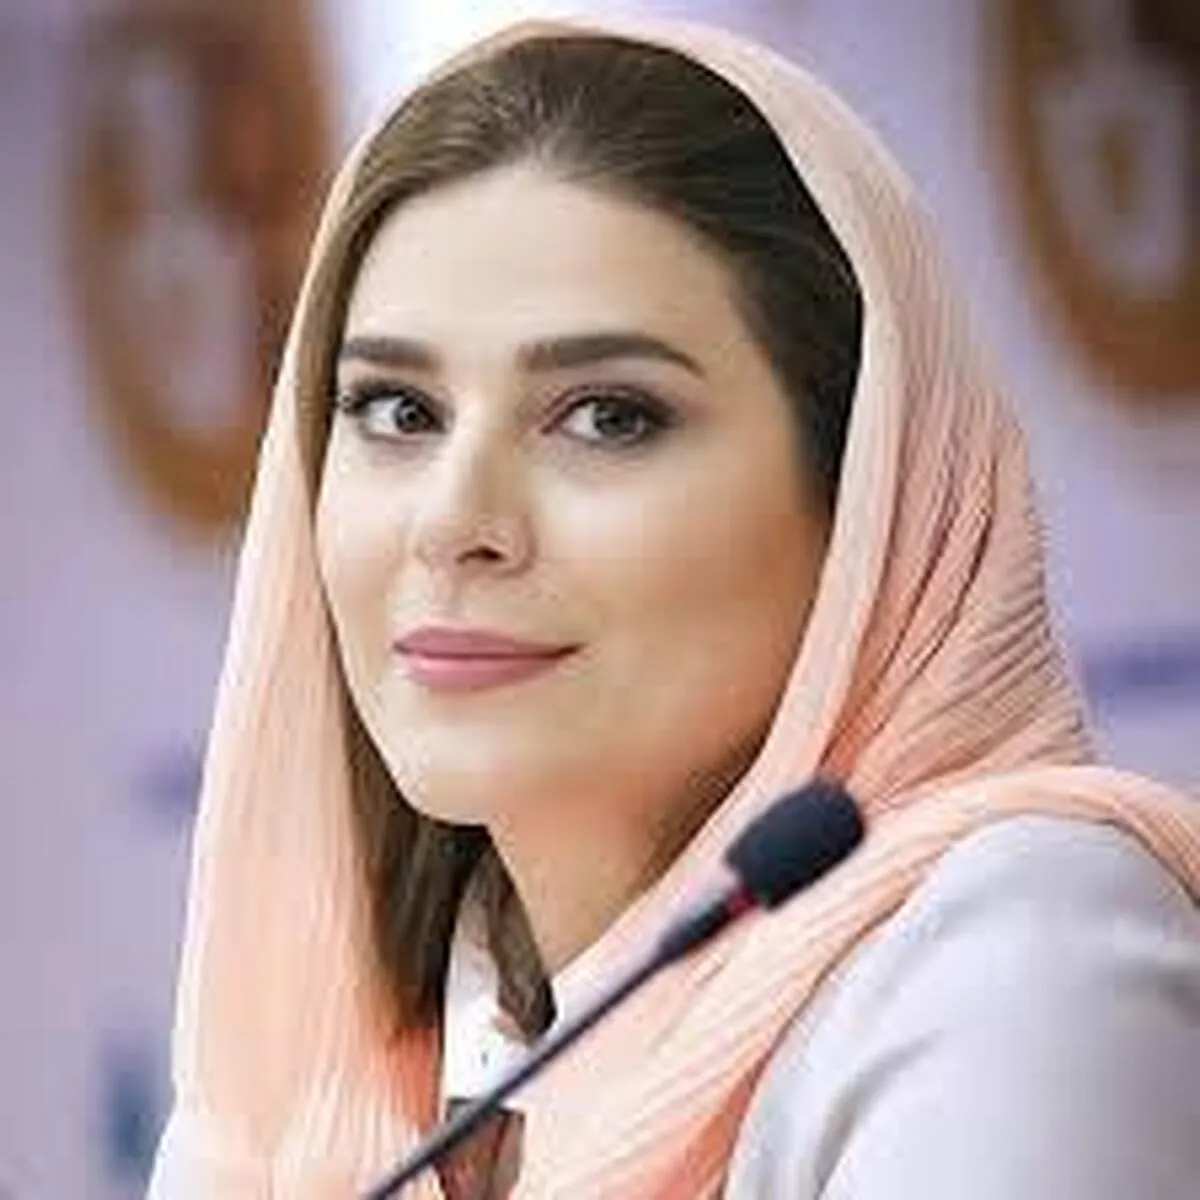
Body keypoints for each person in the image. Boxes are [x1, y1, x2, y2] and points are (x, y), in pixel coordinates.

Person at [147, 16, 1200, 1199]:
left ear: (866, 490)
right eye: (398, 411)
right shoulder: (308, 1093)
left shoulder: (1014, 953)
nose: (453, 520)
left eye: (609, 417)